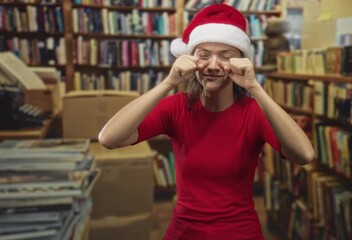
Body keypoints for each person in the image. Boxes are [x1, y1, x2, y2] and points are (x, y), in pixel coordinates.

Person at [98, 4, 314, 240]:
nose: (212, 65)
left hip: (241, 233)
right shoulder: (177, 107)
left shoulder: (253, 112)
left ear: (241, 62)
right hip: (184, 232)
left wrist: (256, 88)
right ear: (190, 59)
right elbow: (109, 139)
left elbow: (304, 155)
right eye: (203, 55)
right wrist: (168, 83)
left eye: (225, 56)